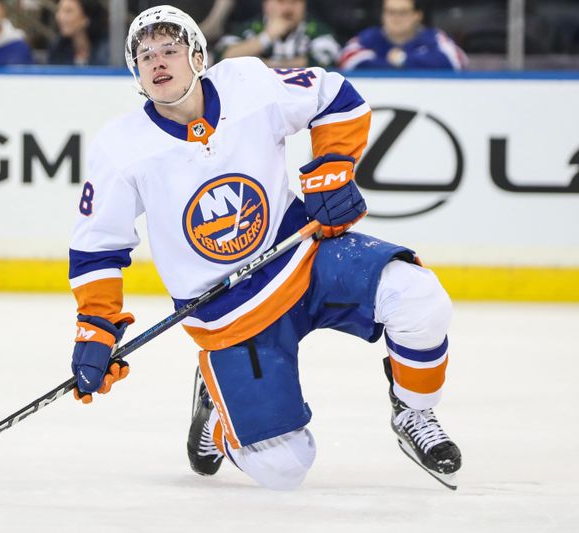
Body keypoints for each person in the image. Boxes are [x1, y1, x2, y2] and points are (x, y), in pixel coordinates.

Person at [67, 4, 462, 490]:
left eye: (170, 49)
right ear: (136, 73)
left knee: (419, 296)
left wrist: (334, 166)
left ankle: (413, 412)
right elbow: (97, 248)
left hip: (304, 255)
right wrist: (96, 327)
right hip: (228, 312)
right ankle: (217, 412)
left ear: (198, 56)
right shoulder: (122, 146)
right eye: (145, 55)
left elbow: (336, 96)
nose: (158, 61)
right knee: (283, 469)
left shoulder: (247, 84)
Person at [339, 0, 467, 70]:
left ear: (417, 15)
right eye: (391, 12)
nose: (396, 18)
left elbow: (457, 59)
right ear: (383, 15)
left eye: (403, 12)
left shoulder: (433, 37)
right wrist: (390, 65)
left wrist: (403, 60)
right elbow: (347, 59)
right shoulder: (369, 37)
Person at [217, 0, 341, 68]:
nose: (288, 8)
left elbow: (324, 62)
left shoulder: (317, 30)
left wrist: (269, 65)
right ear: (266, 4)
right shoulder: (249, 29)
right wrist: (266, 37)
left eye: (294, 2)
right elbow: (223, 57)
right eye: (281, 2)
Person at [48, 0, 109, 66]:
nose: (59, 17)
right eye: (59, 10)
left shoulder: (107, 48)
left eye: (68, 11)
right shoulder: (57, 47)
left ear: (86, 18)